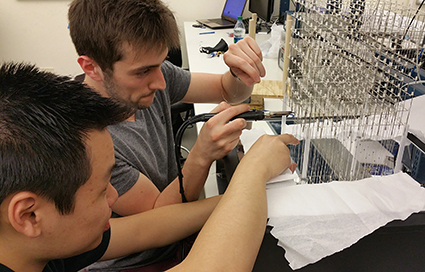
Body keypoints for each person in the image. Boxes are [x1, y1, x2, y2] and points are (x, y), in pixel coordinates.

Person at [0, 61, 299, 272]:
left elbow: (146, 229)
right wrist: (253, 170)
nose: (114, 196)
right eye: (102, 189)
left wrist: (246, 196)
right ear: (28, 214)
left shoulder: (41, 242)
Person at [68, 0, 268, 269]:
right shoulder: (89, 141)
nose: (161, 83)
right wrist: (201, 155)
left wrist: (240, 73)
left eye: (160, 65)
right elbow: (162, 221)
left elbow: (226, 90)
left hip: (175, 233)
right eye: (143, 71)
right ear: (91, 67)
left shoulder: (151, 75)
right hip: (137, 261)